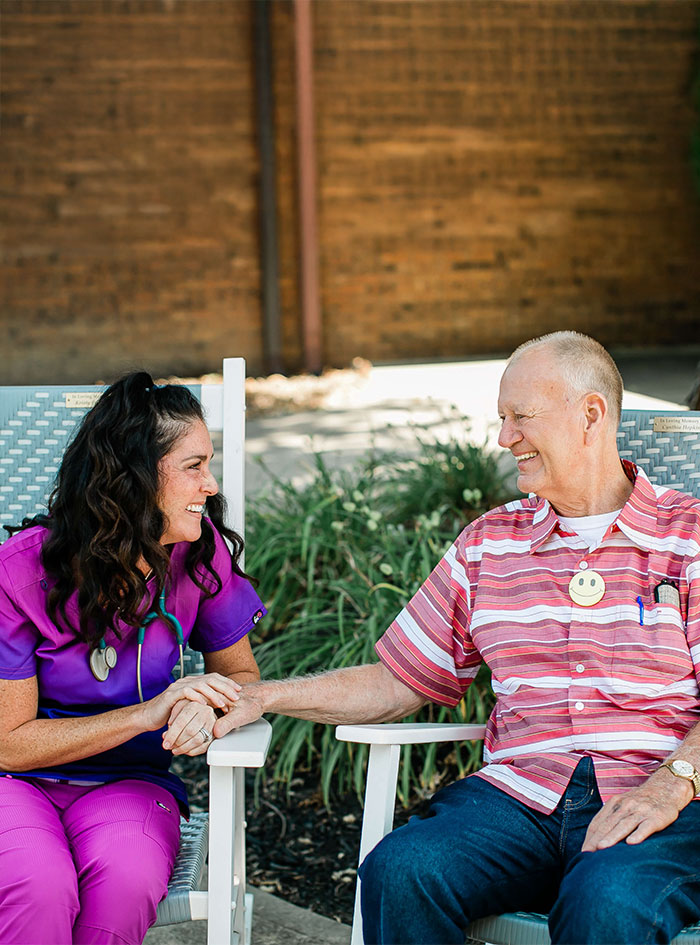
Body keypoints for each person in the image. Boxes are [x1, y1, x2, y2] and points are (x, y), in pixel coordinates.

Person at [215, 331, 700, 945]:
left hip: (658, 797)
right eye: (501, 419)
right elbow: (399, 679)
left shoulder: (687, 539)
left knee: (607, 902)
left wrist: (674, 781)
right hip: (521, 799)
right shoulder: (488, 544)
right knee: (402, 870)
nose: (504, 438)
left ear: (591, 415)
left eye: (521, 416)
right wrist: (263, 696)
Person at [0, 372, 265, 945]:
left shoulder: (198, 555)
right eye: (194, 466)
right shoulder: (18, 572)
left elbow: (240, 677)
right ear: (134, 477)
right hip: (14, 782)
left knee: (123, 880)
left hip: (131, 782)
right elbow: (10, 742)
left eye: (210, 463)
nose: (212, 485)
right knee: (39, 887)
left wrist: (208, 709)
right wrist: (150, 713)